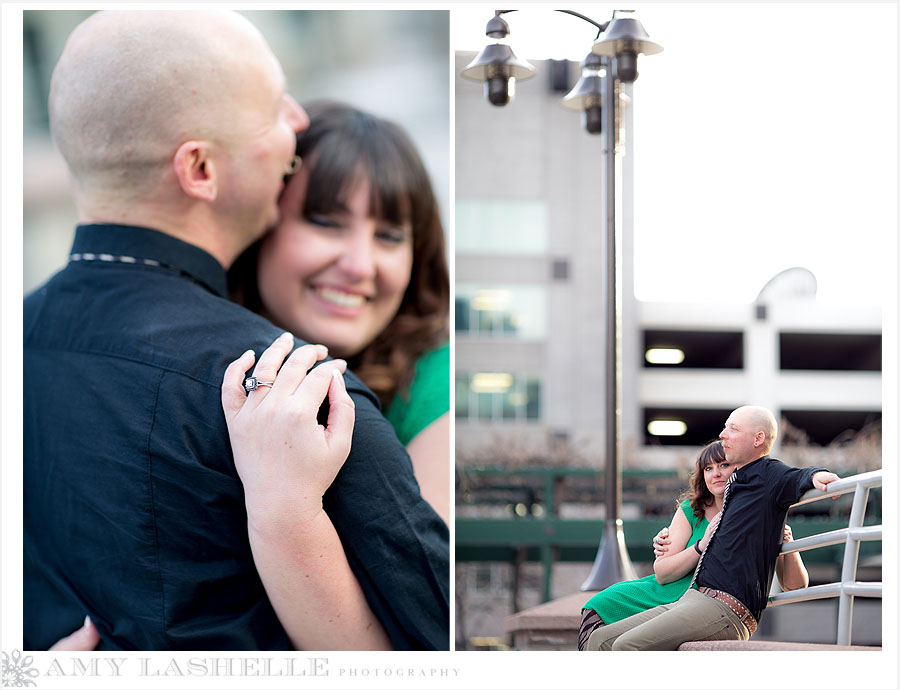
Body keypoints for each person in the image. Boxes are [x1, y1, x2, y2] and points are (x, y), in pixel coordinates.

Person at [24, 10, 448, 651]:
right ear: (200, 170)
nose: (299, 119)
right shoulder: (297, 394)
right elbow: (438, 641)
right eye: (275, 106)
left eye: (391, 234)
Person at [229, 102, 450, 523]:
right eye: (326, 223)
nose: (360, 266)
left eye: (388, 236)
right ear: (261, 223)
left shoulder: (437, 384)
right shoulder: (194, 360)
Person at [585, 406, 838, 651]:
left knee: (625, 646)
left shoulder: (767, 473)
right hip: (694, 598)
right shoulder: (736, 487)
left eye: (733, 429)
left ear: (758, 439)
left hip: (725, 607)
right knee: (600, 641)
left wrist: (817, 476)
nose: (723, 435)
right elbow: (664, 568)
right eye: (709, 468)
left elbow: (795, 476)